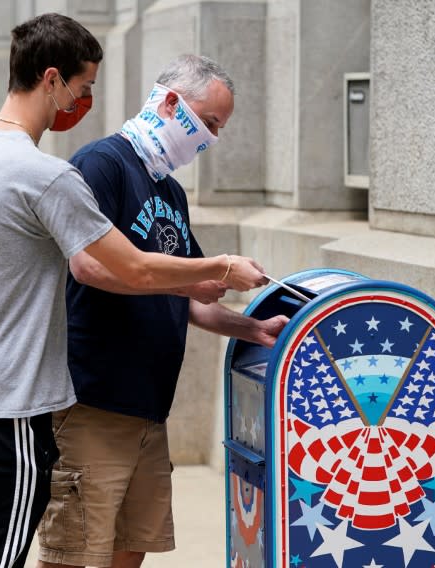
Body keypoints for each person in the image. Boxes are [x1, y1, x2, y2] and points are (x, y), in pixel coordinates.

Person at [0, 16, 267, 568]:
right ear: (52, 80)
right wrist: (220, 265)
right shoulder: (52, 174)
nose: (87, 101)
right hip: (19, 406)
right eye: (86, 86)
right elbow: (126, 270)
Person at [35, 55, 289, 568]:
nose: (210, 139)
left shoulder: (170, 190)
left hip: (150, 407)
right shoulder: (102, 164)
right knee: (74, 553)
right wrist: (213, 269)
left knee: (133, 546)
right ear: (170, 102)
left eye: (219, 129)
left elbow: (191, 292)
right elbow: (88, 267)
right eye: (208, 123)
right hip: (93, 402)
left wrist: (253, 327)